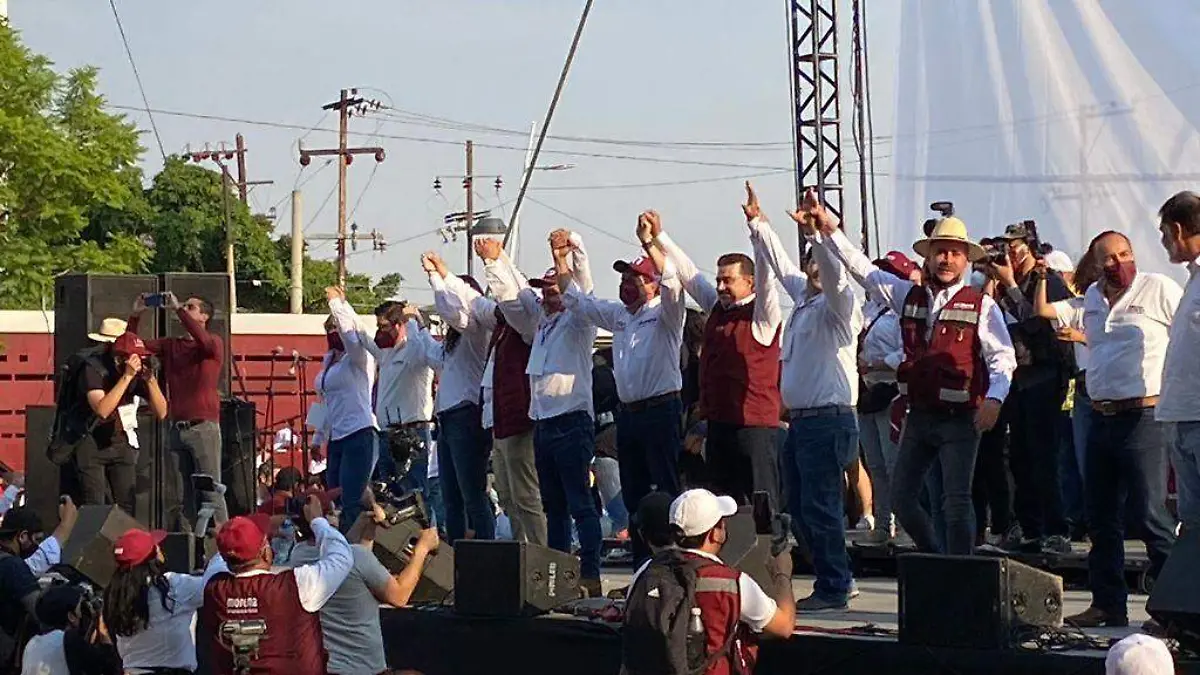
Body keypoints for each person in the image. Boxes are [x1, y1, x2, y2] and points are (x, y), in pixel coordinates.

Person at [818, 207, 1016, 556]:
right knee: (901, 498)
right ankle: (937, 557)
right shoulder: (906, 295)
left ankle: (957, 571)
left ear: (966, 261)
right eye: (940, 251)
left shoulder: (982, 305)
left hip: (960, 418)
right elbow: (861, 268)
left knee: (956, 502)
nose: (947, 259)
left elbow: (1002, 357)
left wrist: (994, 399)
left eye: (955, 253)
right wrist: (830, 229)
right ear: (928, 256)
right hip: (920, 415)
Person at [1043, 231, 1180, 627]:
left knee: (1150, 514)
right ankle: (1108, 603)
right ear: (1097, 262)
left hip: (1144, 416)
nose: (1118, 262)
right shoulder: (1090, 298)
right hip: (1100, 414)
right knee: (1100, 516)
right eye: (1109, 257)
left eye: (1125, 254)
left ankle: (1174, 609)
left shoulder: (1157, 287)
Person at [748, 186, 862, 611]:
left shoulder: (841, 304)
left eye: (820, 263)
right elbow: (780, 266)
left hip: (829, 418)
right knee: (799, 505)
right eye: (810, 263)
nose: (814, 270)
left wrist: (819, 235)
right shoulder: (803, 300)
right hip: (802, 421)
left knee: (822, 504)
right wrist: (759, 224)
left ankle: (836, 584)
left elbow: (834, 277)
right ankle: (834, 576)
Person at [649, 193, 784, 517]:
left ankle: (774, 561)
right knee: (724, 505)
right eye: (719, 279)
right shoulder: (717, 311)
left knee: (762, 505)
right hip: (720, 425)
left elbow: (767, 276)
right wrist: (659, 237)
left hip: (755, 427)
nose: (721, 286)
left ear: (748, 282)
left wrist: (757, 227)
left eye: (729, 280)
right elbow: (689, 273)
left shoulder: (762, 315)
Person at [563, 209, 686, 563]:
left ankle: (673, 563)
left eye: (635, 278)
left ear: (651, 283)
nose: (626, 284)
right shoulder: (620, 316)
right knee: (633, 494)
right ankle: (642, 565)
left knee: (665, 491)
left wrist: (650, 242)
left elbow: (674, 282)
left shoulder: (666, 312)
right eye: (624, 279)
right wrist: (562, 259)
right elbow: (578, 302)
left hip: (661, 409)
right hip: (629, 415)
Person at [489, 229, 603, 596]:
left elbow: (582, 285)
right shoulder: (541, 324)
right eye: (546, 289)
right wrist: (497, 258)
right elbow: (518, 290)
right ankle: (558, 575)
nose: (548, 293)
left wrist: (567, 253)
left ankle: (590, 573)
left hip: (571, 420)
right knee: (553, 506)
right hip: (544, 423)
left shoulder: (578, 319)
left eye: (554, 287)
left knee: (580, 504)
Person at [623, 489, 796, 675]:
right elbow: (784, 626)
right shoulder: (732, 582)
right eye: (722, 523)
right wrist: (782, 574)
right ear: (716, 534)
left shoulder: (645, 572)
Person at [990, 223, 1076, 554]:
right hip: (1019, 378)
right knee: (1020, 458)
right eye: (1006, 247)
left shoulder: (1047, 281)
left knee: (1045, 456)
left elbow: (1037, 324)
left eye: (1015, 246)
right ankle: (1030, 529)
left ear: (1028, 247)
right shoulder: (1005, 284)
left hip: (1046, 375)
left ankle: (1057, 530)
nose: (1009, 253)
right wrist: (994, 283)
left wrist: (1011, 285)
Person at [199, 497, 353, 675]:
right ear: (265, 552)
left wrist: (235, 534)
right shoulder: (296, 587)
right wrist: (317, 521)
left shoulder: (213, 587)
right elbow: (342, 557)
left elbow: (221, 558)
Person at [287, 505, 440, 675]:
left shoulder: (298, 556)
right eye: (331, 512)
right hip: (366, 670)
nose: (337, 514)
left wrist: (365, 526)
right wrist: (422, 549)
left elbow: (342, 556)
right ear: (322, 520)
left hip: (327, 668)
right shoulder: (358, 557)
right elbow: (400, 596)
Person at [415, 251, 497, 543]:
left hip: (466, 414)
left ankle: (486, 553)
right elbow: (431, 353)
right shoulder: (454, 342)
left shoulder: (476, 330)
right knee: (451, 497)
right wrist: (419, 325)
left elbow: (454, 310)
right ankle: (456, 557)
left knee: (472, 493)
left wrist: (437, 277)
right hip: (448, 419)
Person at [129, 292, 228, 531]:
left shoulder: (213, 343)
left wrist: (178, 310)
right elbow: (133, 346)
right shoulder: (172, 345)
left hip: (203, 426)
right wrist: (136, 314)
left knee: (211, 490)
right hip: (176, 427)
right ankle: (189, 548)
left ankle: (224, 544)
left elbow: (202, 341)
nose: (184, 308)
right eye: (185, 306)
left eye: (191, 307)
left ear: (204, 316)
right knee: (182, 496)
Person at [474, 238, 548, 546]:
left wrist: (494, 263)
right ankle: (521, 552)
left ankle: (540, 555)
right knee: (506, 494)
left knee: (525, 494)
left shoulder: (526, 328)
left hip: (519, 420)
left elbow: (516, 295)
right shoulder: (502, 333)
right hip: (500, 421)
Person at [101, 527, 228, 673]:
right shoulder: (173, 587)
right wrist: (221, 551)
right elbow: (215, 585)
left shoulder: (114, 595)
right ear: (152, 557)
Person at [855, 251, 914, 543]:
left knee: (894, 464)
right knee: (875, 464)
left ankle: (904, 526)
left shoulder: (903, 311)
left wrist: (878, 365)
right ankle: (881, 524)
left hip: (891, 392)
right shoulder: (868, 310)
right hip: (867, 393)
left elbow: (908, 352)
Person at [348, 300, 434, 498]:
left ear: (399, 325)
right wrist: (340, 305)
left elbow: (421, 344)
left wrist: (412, 319)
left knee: (414, 494)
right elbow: (362, 334)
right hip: (387, 433)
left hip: (411, 433)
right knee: (387, 494)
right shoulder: (385, 354)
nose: (380, 332)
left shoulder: (415, 351)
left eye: (385, 327)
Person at [79, 329, 168, 512]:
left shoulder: (138, 374)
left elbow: (162, 412)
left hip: (120, 440)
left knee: (127, 505)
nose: (139, 364)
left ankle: (126, 540)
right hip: (91, 440)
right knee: (95, 504)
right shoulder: (94, 368)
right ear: (120, 359)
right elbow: (102, 410)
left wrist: (150, 380)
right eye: (136, 359)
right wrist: (126, 377)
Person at [1156, 190, 1200, 535]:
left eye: (1164, 234)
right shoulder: (1193, 279)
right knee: (1193, 522)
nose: (1163, 242)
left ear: (1178, 229)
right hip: (1183, 415)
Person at [321, 288, 380, 531]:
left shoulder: (359, 358)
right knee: (333, 495)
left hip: (359, 432)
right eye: (329, 329)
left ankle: (353, 547)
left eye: (336, 327)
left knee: (351, 496)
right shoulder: (329, 362)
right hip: (336, 437)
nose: (333, 333)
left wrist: (337, 304)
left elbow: (349, 333)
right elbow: (326, 400)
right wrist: (317, 436)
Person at [20, 585, 84, 675]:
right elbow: (101, 663)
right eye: (80, 609)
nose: (81, 615)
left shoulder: (32, 644)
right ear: (71, 616)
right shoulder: (68, 640)